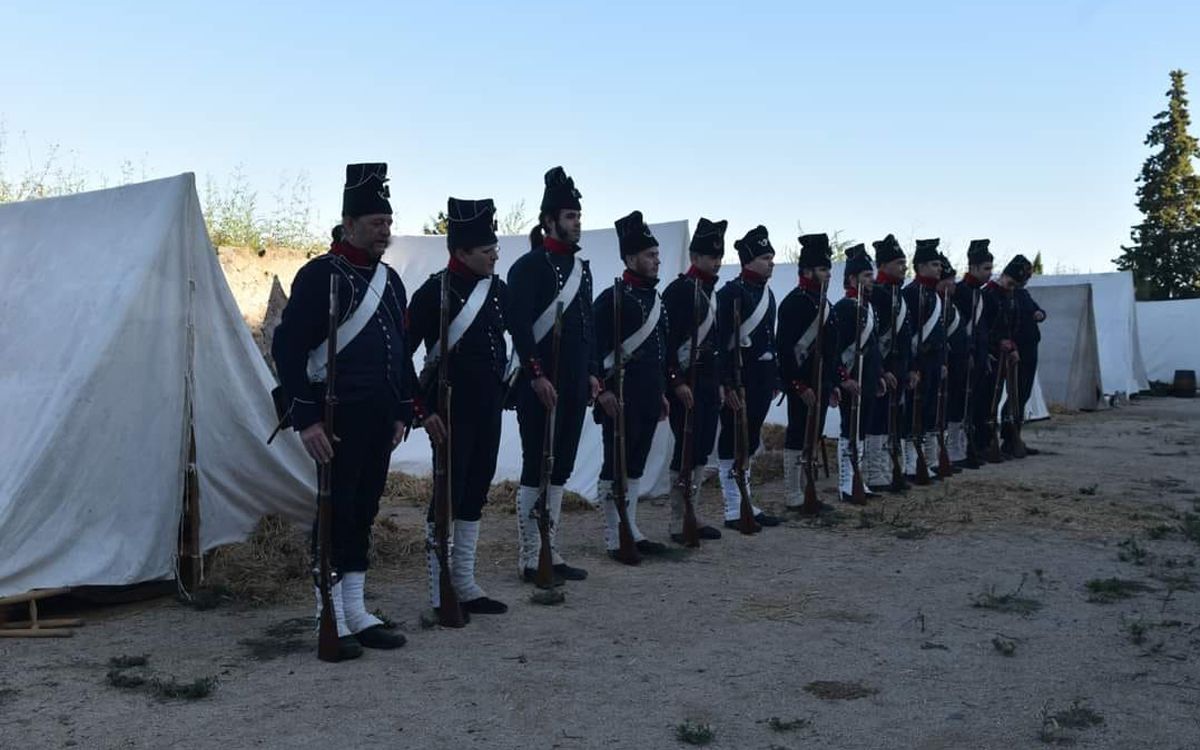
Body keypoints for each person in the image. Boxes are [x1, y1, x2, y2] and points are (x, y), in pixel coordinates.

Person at [272, 162, 410, 658]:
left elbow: (400, 351)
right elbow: (287, 350)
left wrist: (402, 410)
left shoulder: (390, 282)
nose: (385, 231)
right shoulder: (319, 276)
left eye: (388, 223)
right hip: (336, 418)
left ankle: (355, 611)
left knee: (365, 510)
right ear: (349, 224)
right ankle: (327, 615)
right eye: (376, 223)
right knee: (336, 512)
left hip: (378, 418)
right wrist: (306, 418)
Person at [408, 197, 510, 618]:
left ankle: (464, 582)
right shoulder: (434, 291)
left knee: (476, 491)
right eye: (487, 251)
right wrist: (421, 410)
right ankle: (440, 590)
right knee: (448, 495)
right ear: (462, 252)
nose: (494, 256)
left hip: (489, 406)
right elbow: (402, 355)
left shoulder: (497, 289)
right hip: (450, 411)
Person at [507, 167, 598, 584]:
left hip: (576, 384)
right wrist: (537, 374)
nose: (576, 222)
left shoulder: (584, 269)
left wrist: (593, 374)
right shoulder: (528, 267)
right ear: (548, 221)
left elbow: (588, 328)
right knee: (535, 466)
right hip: (539, 385)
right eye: (569, 216)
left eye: (578, 215)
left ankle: (551, 548)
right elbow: (521, 328)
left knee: (560, 467)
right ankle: (530, 556)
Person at [593, 211, 671, 561]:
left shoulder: (656, 300)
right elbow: (593, 351)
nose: (656, 260)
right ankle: (614, 536)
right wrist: (603, 391)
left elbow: (661, 351)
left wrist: (663, 393)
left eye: (656, 254)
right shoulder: (612, 299)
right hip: (619, 395)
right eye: (649, 255)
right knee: (615, 463)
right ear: (630, 259)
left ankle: (632, 528)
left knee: (636, 462)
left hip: (649, 392)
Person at [662, 219, 727, 543]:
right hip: (684, 385)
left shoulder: (713, 295)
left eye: (718, 255)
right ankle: (677, 519)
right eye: (709, 255)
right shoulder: (679, 290)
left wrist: (719, 383)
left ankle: (693, 512)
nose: (716, 261)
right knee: (685, 450)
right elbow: (667, 342)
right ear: (694, 256)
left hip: (706, 383)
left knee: (701, 448)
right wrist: (675, 382)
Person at [716, 225, 782, 529]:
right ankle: (732, 506)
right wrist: (727, 384)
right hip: (740, 380)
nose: (771, 262)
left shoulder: (768, 295)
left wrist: (775, 379)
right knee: (732, 439)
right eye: (766, 257)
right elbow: (721, 345)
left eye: (771, 256)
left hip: (762, 378)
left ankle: (746, 498)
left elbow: (771, 341)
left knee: (751, 438)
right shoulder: (730, 294)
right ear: (748, 260)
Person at [776, 233, 837, 513]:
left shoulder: (825, 303)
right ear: (808, 270)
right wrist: (798, 384)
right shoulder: (794, 302)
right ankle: (792, 493)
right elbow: (786, 348)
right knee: (797, 433)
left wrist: (833, 382)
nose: (829, 274)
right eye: (824, 269)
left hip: (821, 382)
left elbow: (831, 350)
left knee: (814, 434)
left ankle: (808, 488)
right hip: (802, 383)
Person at [831, 245, 884, 502]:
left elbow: (873, 346)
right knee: (848, 430)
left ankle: (858, 480)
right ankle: (845, 484)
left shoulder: (868, 307)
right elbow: (835, 349)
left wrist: (880, 374)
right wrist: (843, 378)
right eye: (865, 276)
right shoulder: (844, 307)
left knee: (861, 430)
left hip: (868, 378)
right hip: (851, 379)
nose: (871, 280)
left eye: (871, 275)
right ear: (852, 279)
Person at [864, 234, 913, 493]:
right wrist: (881, 371)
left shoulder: (899, 296)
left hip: (899, 369)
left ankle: (893, 470)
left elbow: (907, 339)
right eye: (898, 262)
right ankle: (874, 473)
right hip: (880, 371)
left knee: (896, 421)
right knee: (877, 420)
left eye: (904, 263)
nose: (904, 267)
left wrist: (909, 368)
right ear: (882, 266)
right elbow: (870, 338)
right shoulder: (877, 295)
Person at [902, 239, 946, 481]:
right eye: (934, 264)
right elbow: (906, 336)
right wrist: (911, 368)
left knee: (928, 412)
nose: (939, 269)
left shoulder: (934, 295)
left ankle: (925, 460)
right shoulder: (910, 293)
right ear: (920, 266)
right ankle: (910, 463)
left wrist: (942, 363)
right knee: (911, 413)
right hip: (917, 364)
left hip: (933, 364)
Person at [956, 239, 996, 465]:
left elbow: (983, 329)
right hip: (966, 358)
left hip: (980, 356)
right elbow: (961, 329)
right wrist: (969, 353)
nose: (990, 273)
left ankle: (975, 446)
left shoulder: (981, 294)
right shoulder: (962, 292)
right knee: (964, 404)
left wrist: (985, 352)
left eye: (990, 268)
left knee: (978, 403)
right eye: (986, 268)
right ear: (972, 268)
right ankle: (962, 449)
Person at [937, 253, 966, 475]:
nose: (953, 285)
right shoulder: (935, 304)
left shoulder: (951, 305)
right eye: (949, 281)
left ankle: (951, 452)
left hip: (957, 364)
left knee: (954, 406)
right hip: (940, 366)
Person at [1013, 263, 1045, 455]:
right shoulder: (1012, 295)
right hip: (1020, 349)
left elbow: (1038, 311)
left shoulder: (1023, 294)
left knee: (1022, 396)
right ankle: (1010, 439)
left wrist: (1040, 314)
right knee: (1016, 396)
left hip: (1030, 348)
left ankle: (1015, 437)